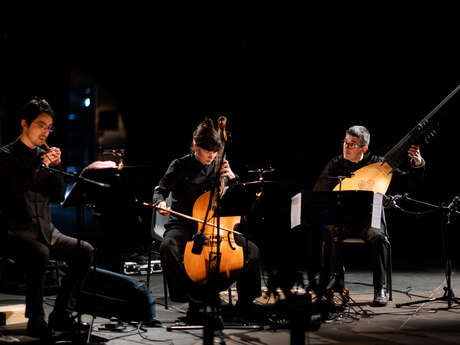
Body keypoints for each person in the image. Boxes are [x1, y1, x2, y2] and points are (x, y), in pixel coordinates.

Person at [0, 97, 94, 338]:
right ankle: (36, 318)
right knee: (39, 253)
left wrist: (57, 167)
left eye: (49, 127)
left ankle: (62, 313)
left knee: (85, 250)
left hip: (46, 229)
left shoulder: (45, 155)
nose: (45, 131)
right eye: (41, 125)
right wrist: (41, 165)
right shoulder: (6, 155)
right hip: (15, 231)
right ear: (24, 123)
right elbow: (13, 192)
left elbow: (56, 195)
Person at [153, 118, 261, 321]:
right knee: (168, 247)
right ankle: (194, 299)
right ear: (195, 146)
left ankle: (246, 304)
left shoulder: (219, 166)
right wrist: (161, 204)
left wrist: (233, 178)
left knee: (252, 251)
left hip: (215, 225)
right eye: (207, 151)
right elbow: (160, 191)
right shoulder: (179, 165)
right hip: (184, 224)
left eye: (215, 151)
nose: (211, 156)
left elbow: (235, 198)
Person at [313, 125, 425, 307]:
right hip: (343, 221)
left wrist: (418, 163)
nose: (346, 147)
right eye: (345, 142)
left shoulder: (379, 163)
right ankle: (334, 287)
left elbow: (409, 182)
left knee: (379, 237)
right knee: (330, 231)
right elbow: (319, 191)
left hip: (369, 221)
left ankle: (379, 289)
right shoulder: (336, 164)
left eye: (352, 144)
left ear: (364, 148)